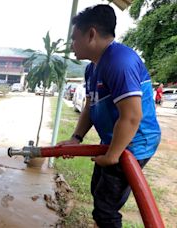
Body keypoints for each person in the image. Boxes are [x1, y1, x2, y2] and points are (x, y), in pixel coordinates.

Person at [57, 5, 161, 228]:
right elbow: (90, 106)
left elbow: (132, 116)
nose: (71, 45)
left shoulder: (120, 61)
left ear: (91, 34)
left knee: (105, 207)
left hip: (133, 142)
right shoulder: (92, 68)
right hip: (114, 142)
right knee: (98, 191)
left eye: (74, 38)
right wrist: (76, 138)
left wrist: (113, 155)